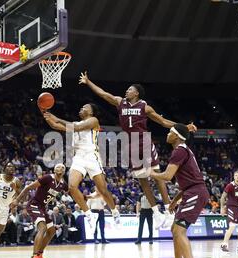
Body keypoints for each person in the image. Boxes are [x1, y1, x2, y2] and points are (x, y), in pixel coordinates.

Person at [79, 72, 197, 229]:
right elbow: (103, 94)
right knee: (143, 181)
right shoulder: (120, 102)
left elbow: (162, 121)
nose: (126, 91)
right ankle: (157, 214)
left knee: (157, 177)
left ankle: (169, 212)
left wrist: (183, 127)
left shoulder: (145, 107)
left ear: (137, 93)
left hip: (145, 142)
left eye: (129, 89)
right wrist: (88, 82)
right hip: (131, 145)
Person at [151, 124, 209, 258]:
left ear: (177, 136)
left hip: (195, 193)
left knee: (179, 230)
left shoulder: (179, 151)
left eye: (170, 132)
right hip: (191, 191)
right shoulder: (183, 150)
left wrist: (150, 173)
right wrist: (175, 200)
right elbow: (187, 182)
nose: (167, 134)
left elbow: (168, 176)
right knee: (174, 229)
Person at [43, 103, 120, 227]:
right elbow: (54, 125)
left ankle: (115, 212)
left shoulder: (93, 120)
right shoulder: (74, 123)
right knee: (72, 187)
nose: (81, 108)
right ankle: (89, 214)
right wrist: (45, 113)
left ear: (90, 112)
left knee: (102, 190)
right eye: (81, 106)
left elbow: (75, 127)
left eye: (84, 107)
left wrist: (57, 118)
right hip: (78, 157)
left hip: (92, 156)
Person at [11, 164, 68, 258]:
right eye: (57, 166)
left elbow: (72, 192)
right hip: (34, 205)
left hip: (43, 207)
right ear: (54, 169)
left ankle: (40, 255)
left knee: (52, 231)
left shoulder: (63, 184)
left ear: (64, 171)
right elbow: (28, 187)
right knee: (42, 228)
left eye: (62, 167)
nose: (59, 168)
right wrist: (17, 200)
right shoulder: (47, 178)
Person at [220, 171, 238, 252]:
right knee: (231, 226)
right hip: (231, 208)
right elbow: (223, 197)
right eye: (236, 175)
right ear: (234, 177)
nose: (237, 177)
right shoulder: (230, 186)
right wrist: (222, 208)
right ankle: (224, 244)